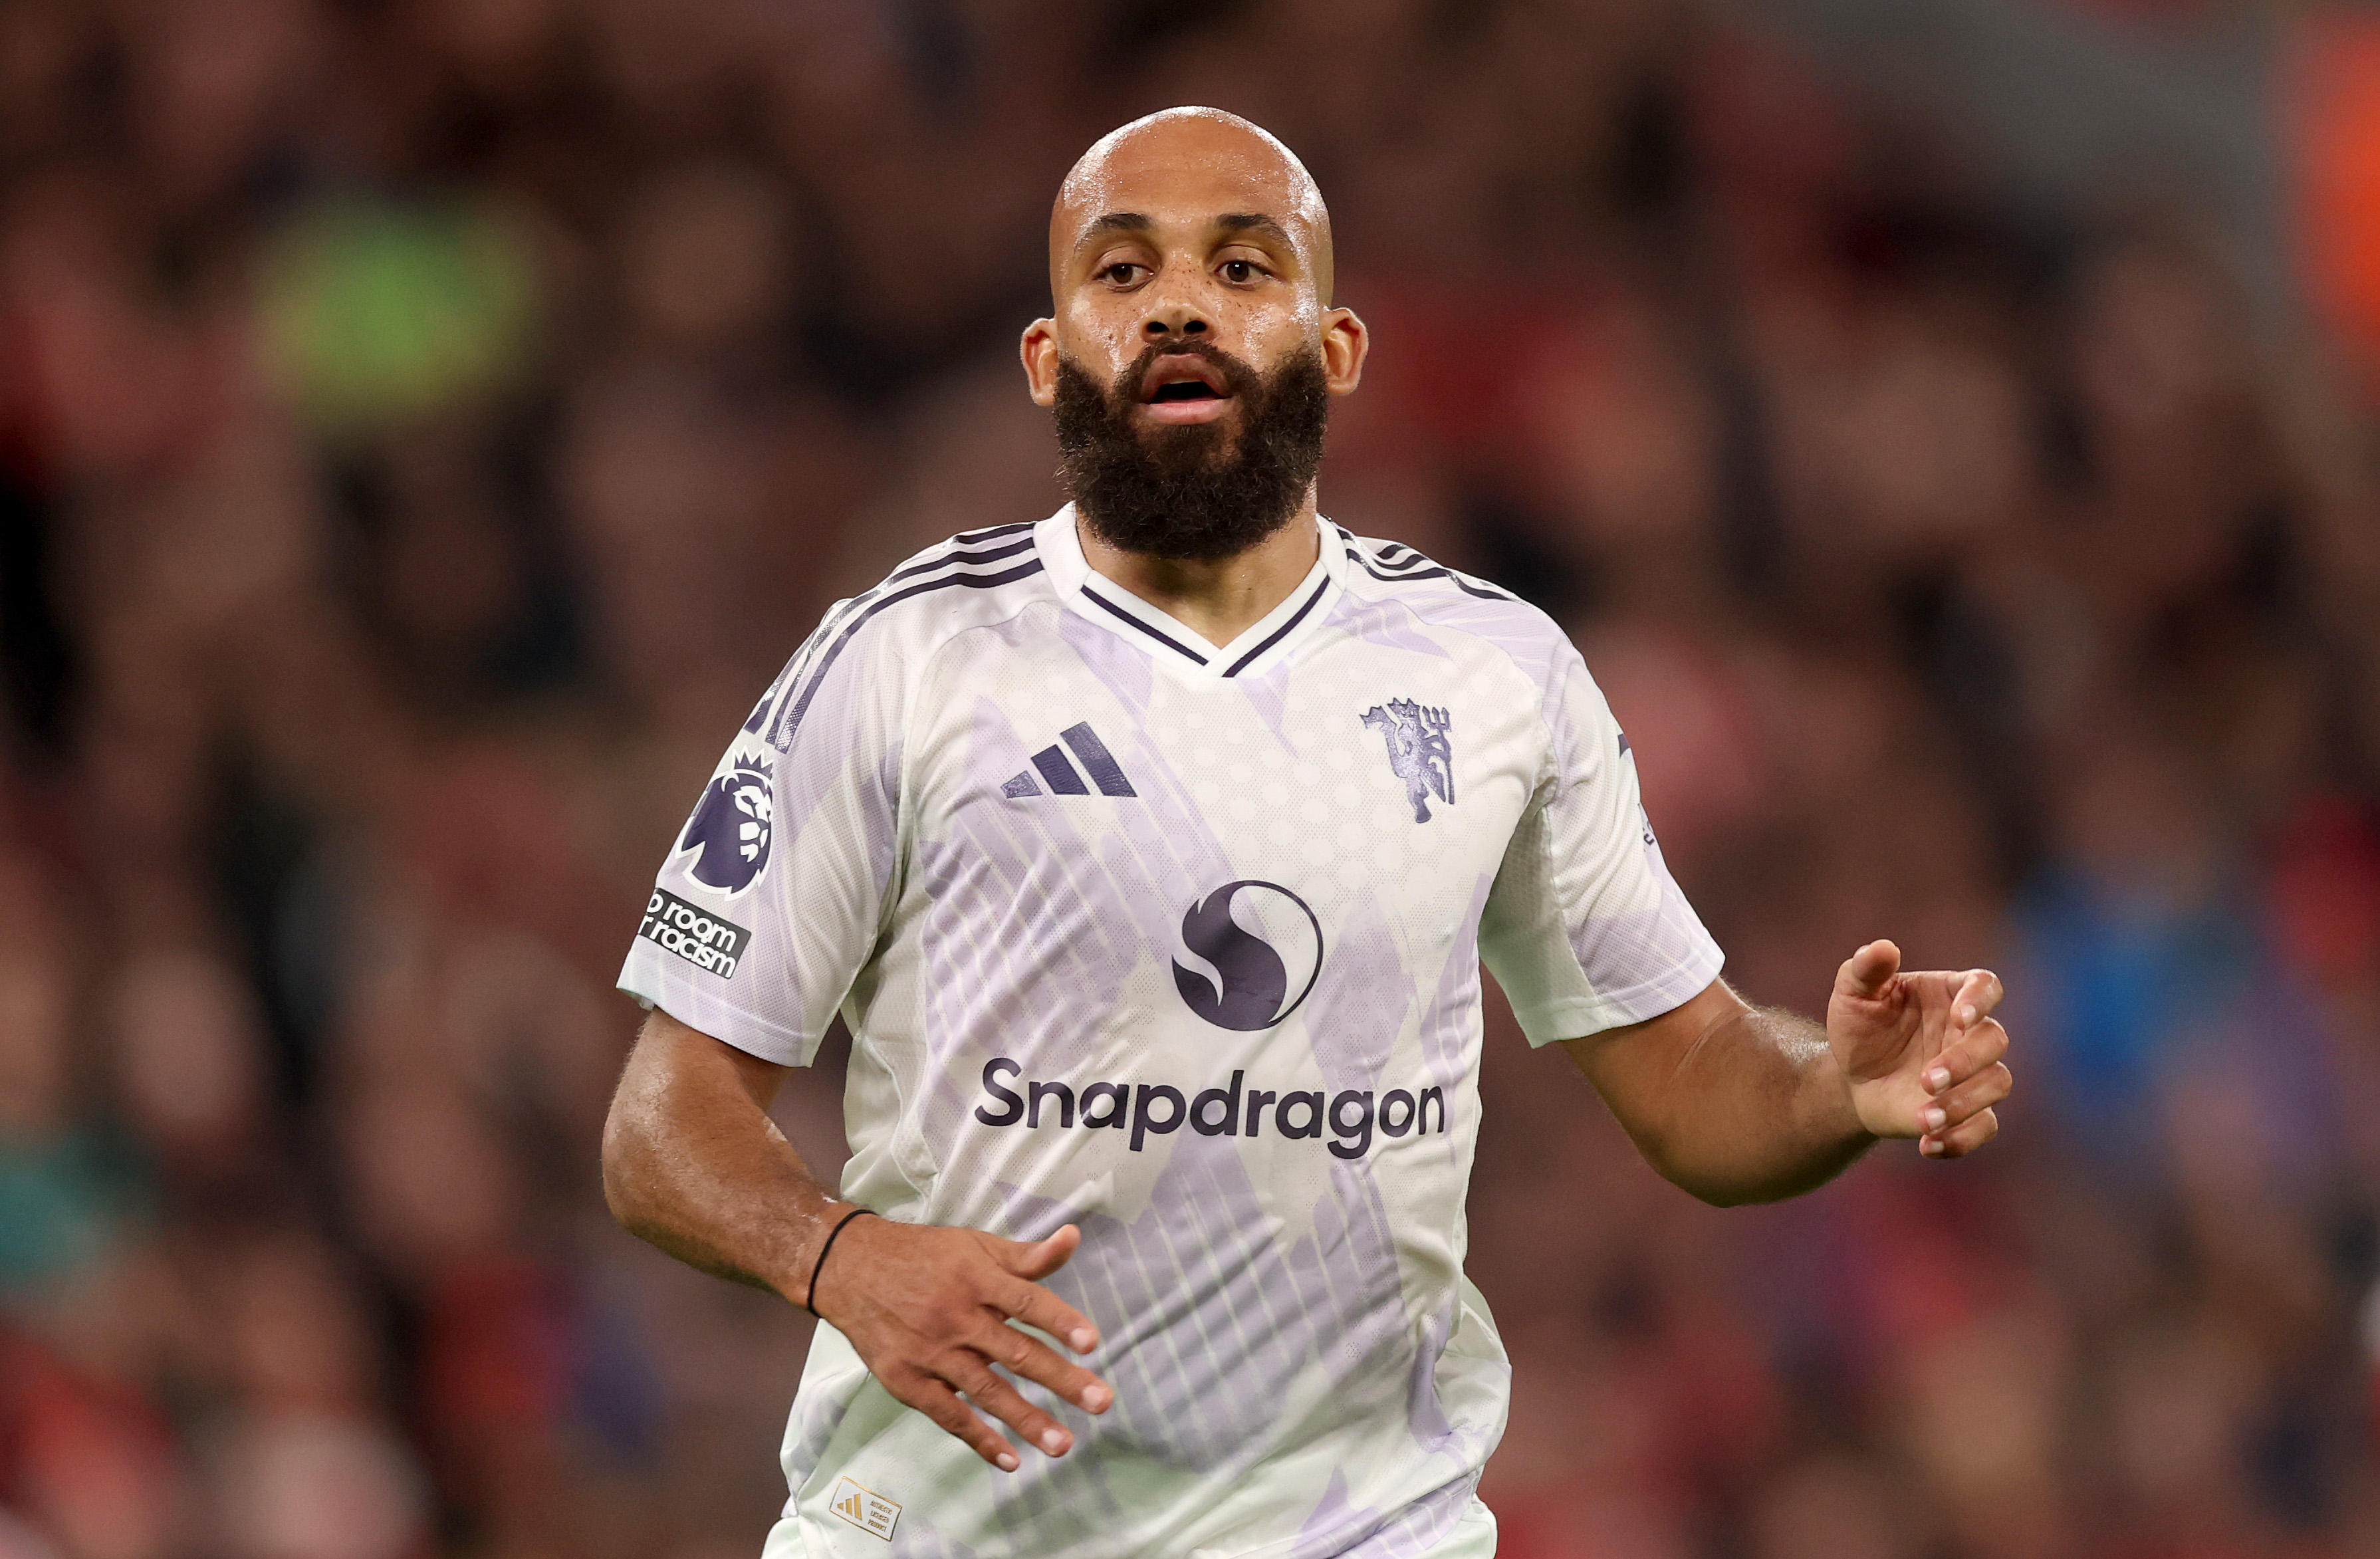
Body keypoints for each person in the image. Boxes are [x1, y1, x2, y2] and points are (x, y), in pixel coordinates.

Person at [600, 106, 2014, 1559]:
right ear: (1048, 357)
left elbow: (1692, 1080)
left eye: (1241, 264)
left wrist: (1831, 1089)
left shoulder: (1492, 678)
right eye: (1122, 269)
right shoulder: (903, 660)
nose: (1178, 306)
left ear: (1334, 348)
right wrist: (839, 1258)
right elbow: (663, 1120)